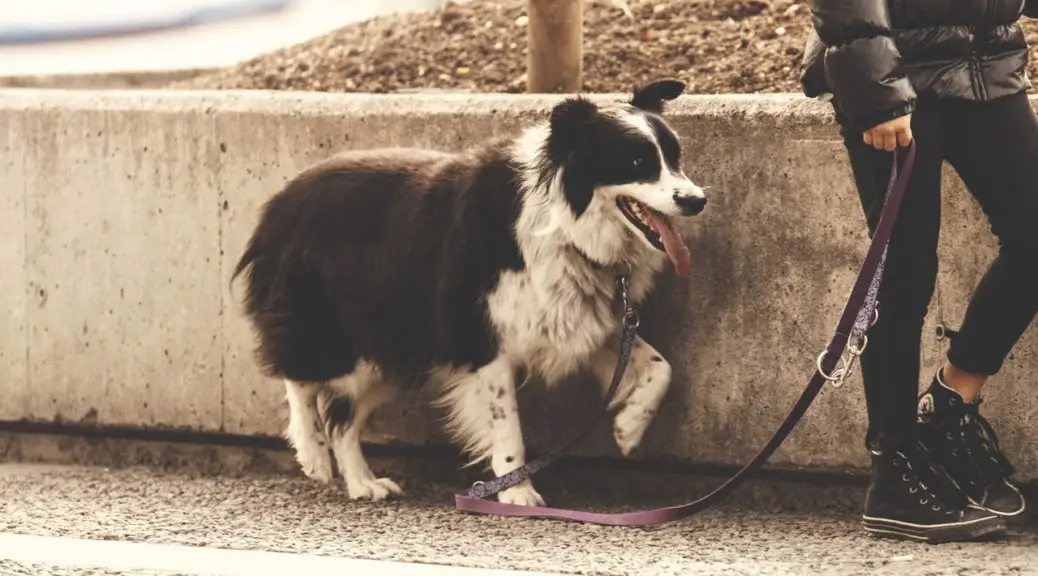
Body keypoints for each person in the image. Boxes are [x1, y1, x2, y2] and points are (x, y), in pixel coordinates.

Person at [800, 0, 1038, 542]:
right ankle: (895, 467)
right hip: (897, 73)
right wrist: (876, 90)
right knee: (905, 266)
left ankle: (952, 404)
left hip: (988, 65)